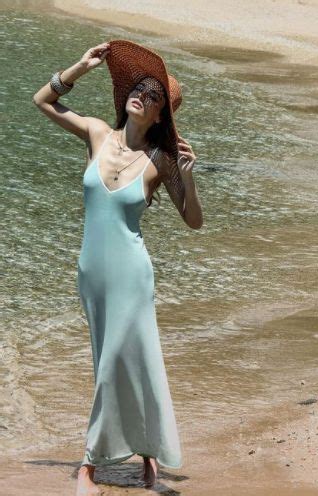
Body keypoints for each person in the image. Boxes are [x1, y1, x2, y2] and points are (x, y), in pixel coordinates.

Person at [33, 39, 203, 494]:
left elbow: (193, 221)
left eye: (153, 96)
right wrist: (81, 66)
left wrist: (186, 176)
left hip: (131, 273)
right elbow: (42, 99)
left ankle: (90, 464)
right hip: (91, 272)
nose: (142, 95)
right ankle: (147, 458)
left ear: (160, 115)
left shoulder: (159, 161)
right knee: (113, 360)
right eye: (140, 87)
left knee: (124, 361)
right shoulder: (95, 133)